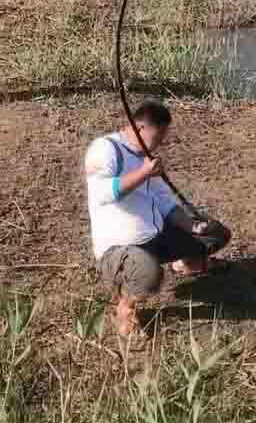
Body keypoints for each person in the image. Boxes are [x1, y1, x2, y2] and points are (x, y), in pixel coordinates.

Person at [84, 99, 231, 337]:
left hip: (154, 237)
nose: (161, 143)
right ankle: (125, 307)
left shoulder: (147, 158)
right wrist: (143, 173)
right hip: (118, 249)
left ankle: (188, 264)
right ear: (140, 128)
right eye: (158, 137)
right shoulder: (104, 148)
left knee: (216, 233)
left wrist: (194, 226)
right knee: (148, 273)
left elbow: (165, 203)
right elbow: (102, 193)